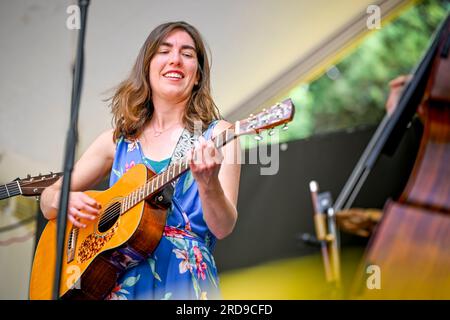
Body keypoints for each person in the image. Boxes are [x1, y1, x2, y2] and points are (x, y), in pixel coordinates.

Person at [40, 21, 241, 300]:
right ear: (147, 67)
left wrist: (208, 185)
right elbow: (48, 198)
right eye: (164, 50)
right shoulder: (118, 140)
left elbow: (223, 226)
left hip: (183, 282)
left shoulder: (218, 134)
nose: (175, 59)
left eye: (187, 53)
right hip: (115, 284)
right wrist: (63, 202)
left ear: (198, 76)